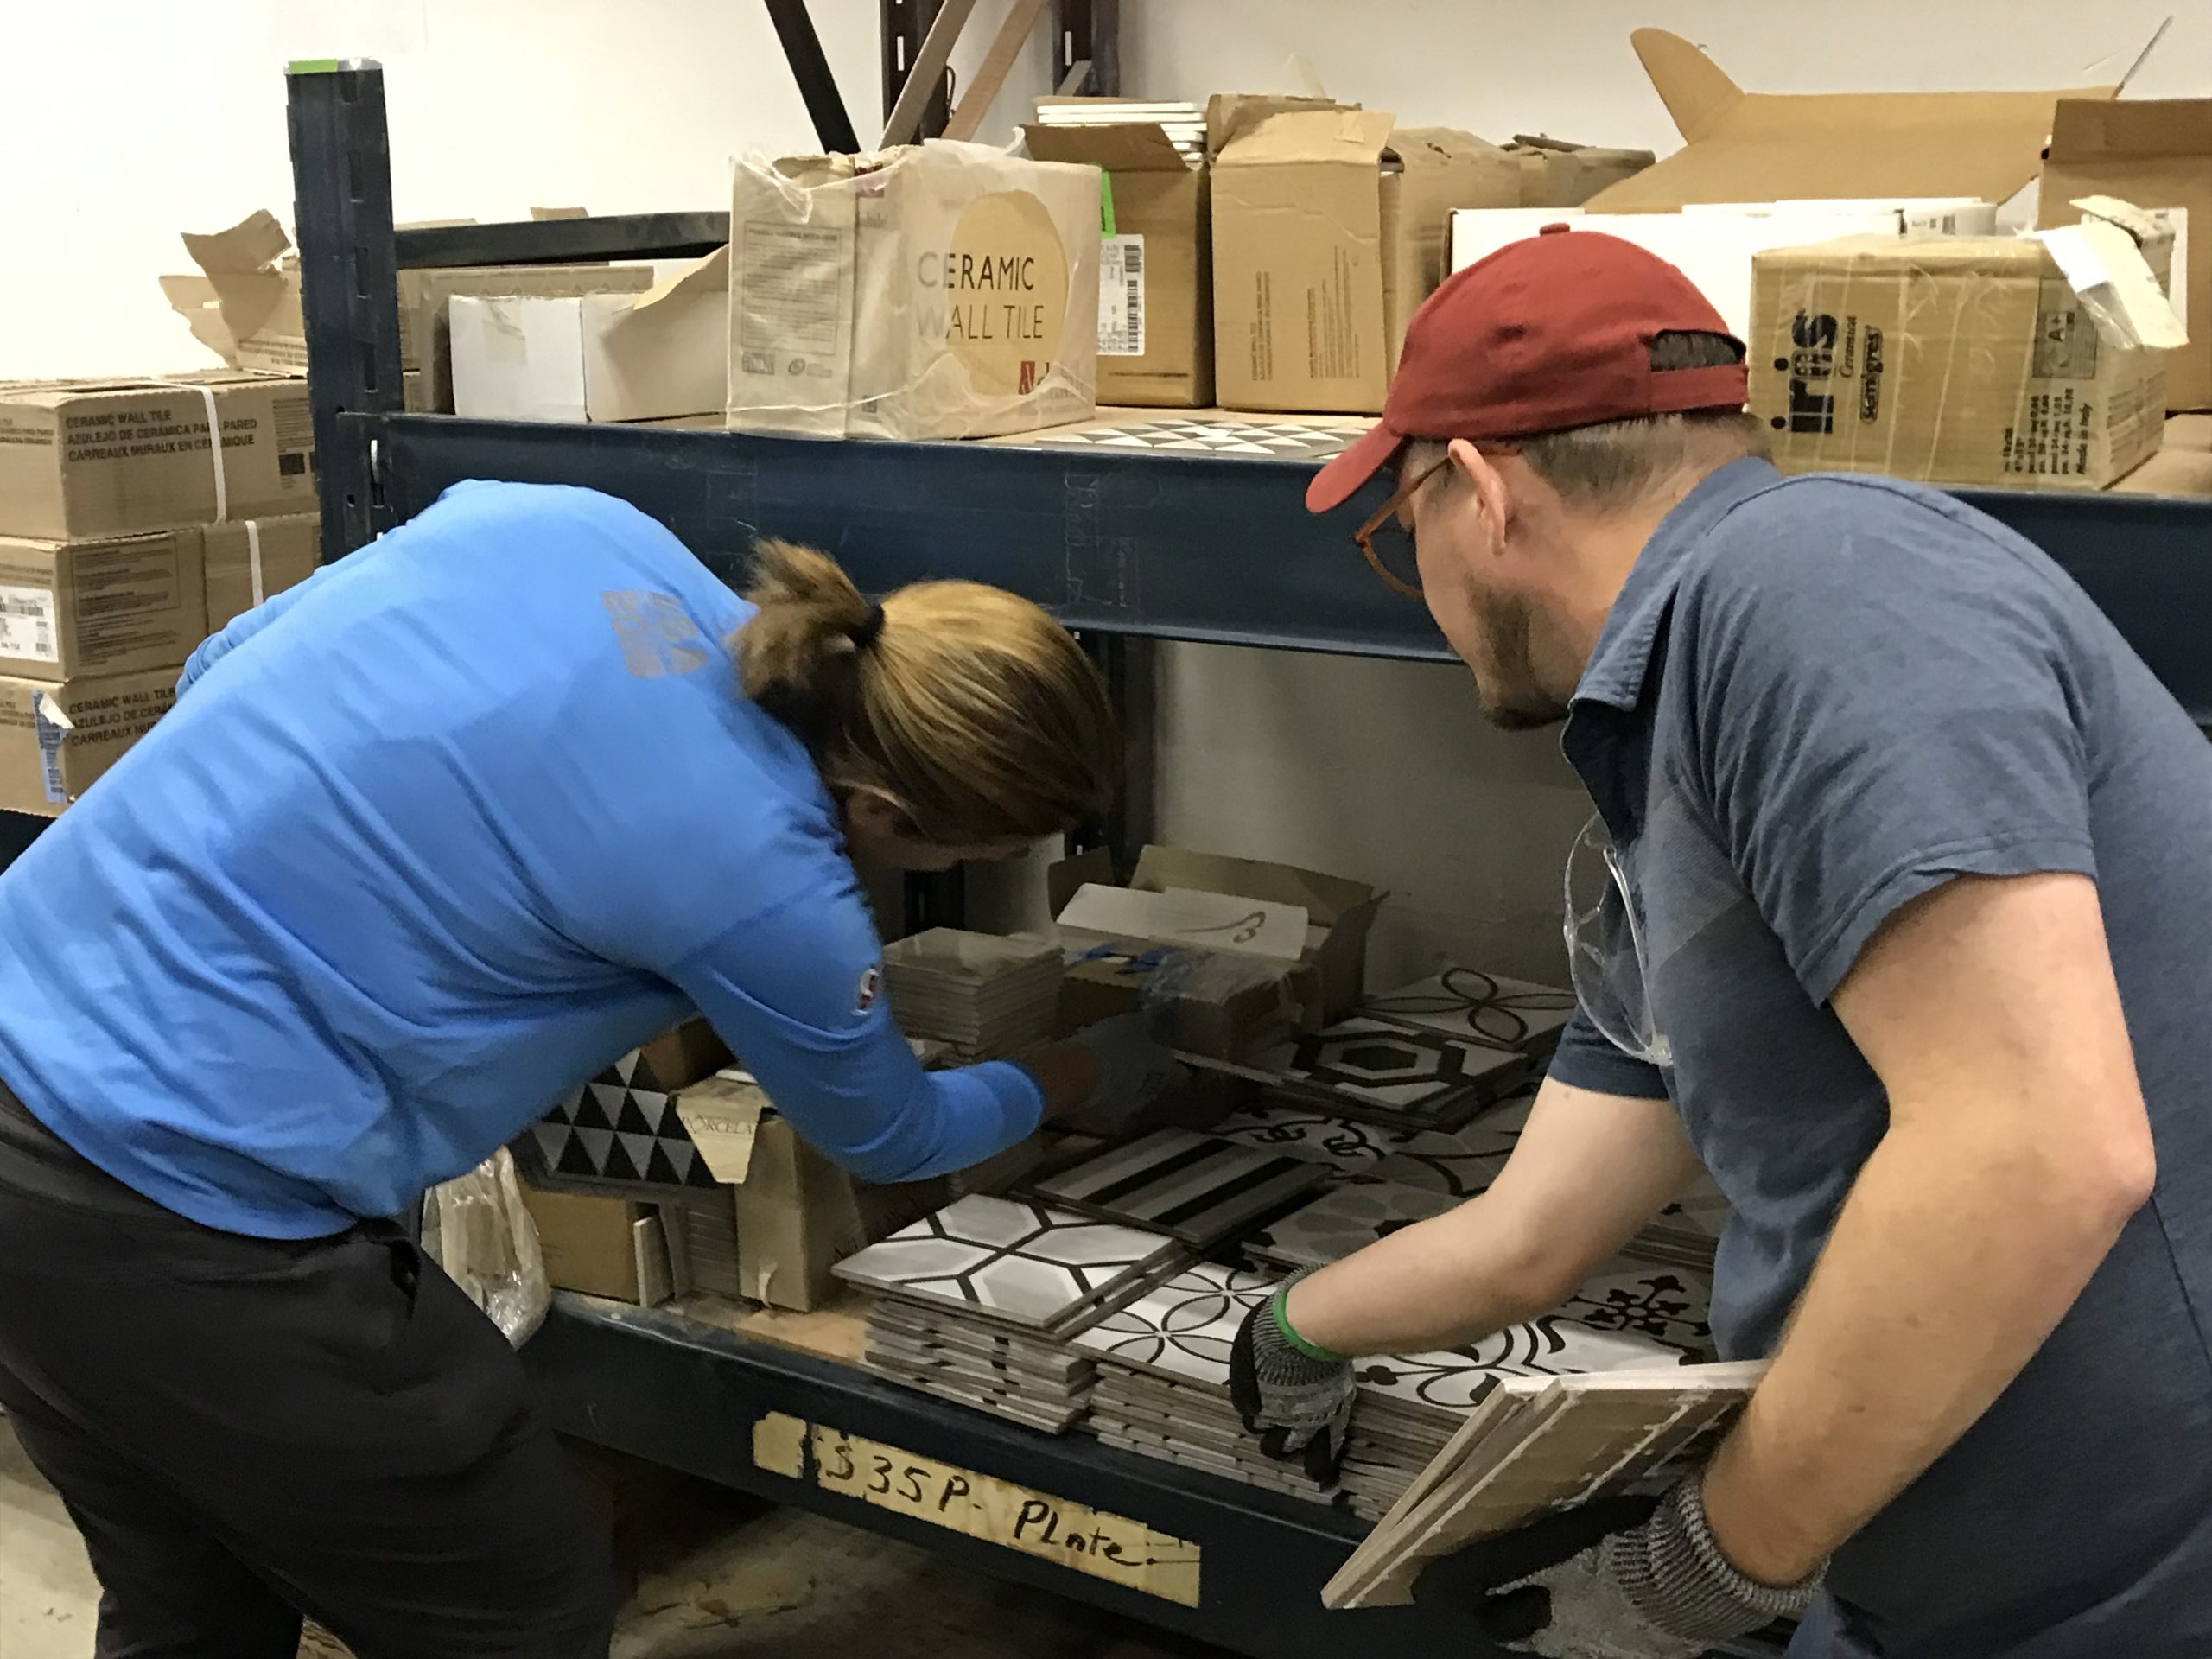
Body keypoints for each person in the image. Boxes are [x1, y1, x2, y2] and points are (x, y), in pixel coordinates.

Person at [1228, 226, 2212, 1659]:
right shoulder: (1672, 738)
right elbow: (1532, 1237)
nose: (1418, 585)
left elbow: (2042, 1152)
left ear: (1482, 492)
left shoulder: (1815, 589)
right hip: (1929, 1559)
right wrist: (1303, 1328)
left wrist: (1715, 1556)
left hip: (2128, 1587)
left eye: (1397, 530)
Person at [0, 480, 1179, 1658]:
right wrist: (1085, 1069)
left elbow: (221, 666)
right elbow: (894, 1133)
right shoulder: (770, 884)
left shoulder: (569, 525)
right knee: (517, 1613)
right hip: (187, 1211)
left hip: (23, 1039)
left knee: (193, 1586)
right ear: (883, 809)